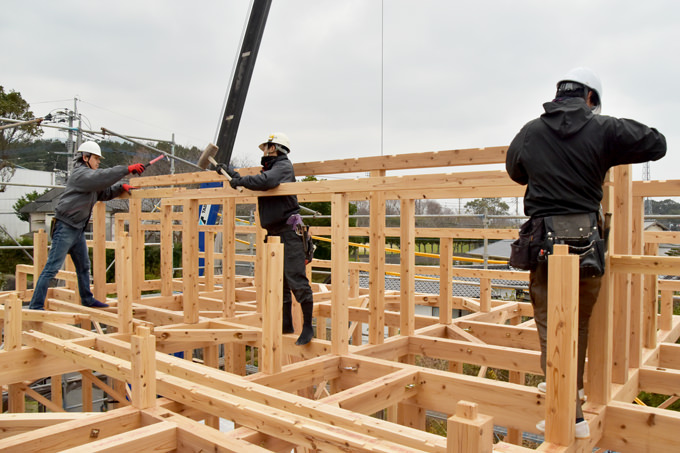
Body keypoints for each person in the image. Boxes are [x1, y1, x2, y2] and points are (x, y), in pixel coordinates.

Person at [506, 67, 666, 438]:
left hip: (542, 243)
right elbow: (656, 144)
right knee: (577, 324)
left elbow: (516, 170)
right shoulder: (604, 128)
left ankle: (568, 410)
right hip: (587, 244)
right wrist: (606, 144)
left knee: (551, 326)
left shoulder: (531, 131)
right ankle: (571, 405)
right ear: (590, 98)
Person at [216, 132, 315, 346]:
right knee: (281, 283)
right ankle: (286, 324)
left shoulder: (283, 167)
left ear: (276, 148)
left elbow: (266, 181)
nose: (264, 151)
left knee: (296, 279)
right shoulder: (271, 169)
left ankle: (308, 327)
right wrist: (230, 173)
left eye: (266, 147)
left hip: (290, 232)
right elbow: (260, 179)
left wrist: (240, 180)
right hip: (275, 234)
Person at [28, 141, 146, 310]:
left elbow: (104, 193)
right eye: (96, 158)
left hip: (77, 229)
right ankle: (35, 306)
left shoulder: (90, 181)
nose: (98, 162)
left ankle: (87, 299)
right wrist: (126, 169)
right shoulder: (80, 175)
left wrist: (121, 188)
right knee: (51, 268)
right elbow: (100, 178)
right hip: (65, 227)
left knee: (83, 267)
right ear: (85, 157)